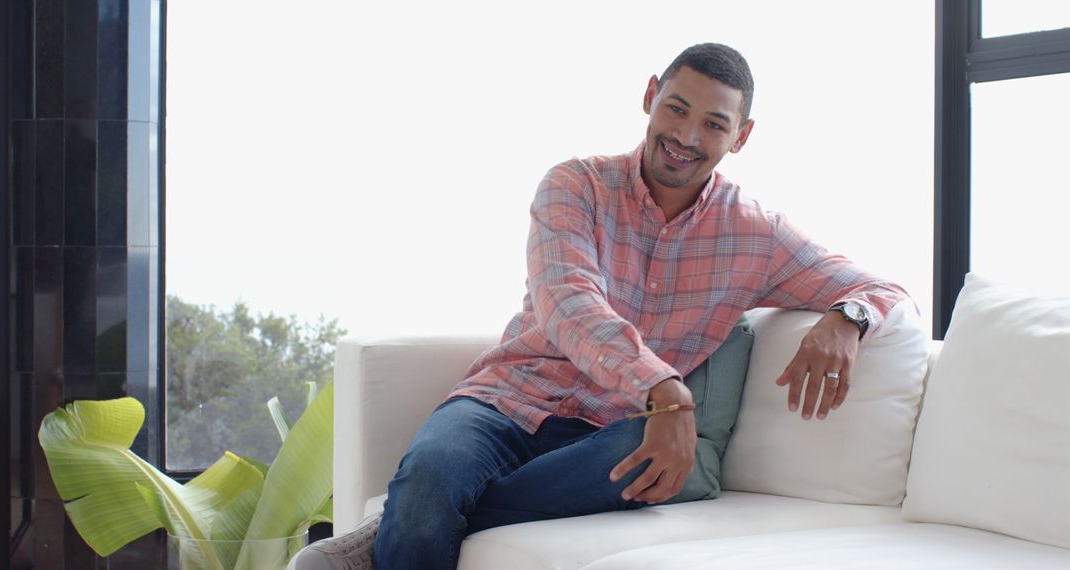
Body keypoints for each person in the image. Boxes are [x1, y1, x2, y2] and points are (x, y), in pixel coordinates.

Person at [296, 42, 909, 570]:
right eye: (676, 108)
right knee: (433, 475)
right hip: (507, 398)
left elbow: (883, 289)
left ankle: (388, 533)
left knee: (652, 459)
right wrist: (664, 389)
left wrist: (845, 319)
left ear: (741, 136)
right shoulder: (575, 184)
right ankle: (417, 505)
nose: (687, 138)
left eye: (714, 125)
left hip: (609, 432)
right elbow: (567, 304)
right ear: (649, 96)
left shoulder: (757, 235)